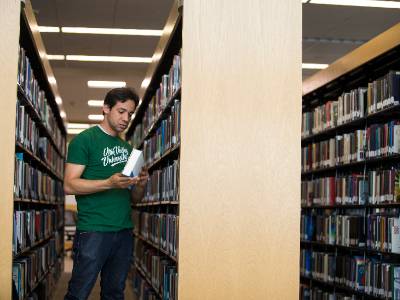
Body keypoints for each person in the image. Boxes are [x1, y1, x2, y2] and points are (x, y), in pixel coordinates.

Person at [63, 87, 148, 300]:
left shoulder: (127, 149)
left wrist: (140, 184)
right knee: (79, 293)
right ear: (106, 108)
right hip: (94, 230)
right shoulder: (84, 140)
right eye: (121, 111)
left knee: (114, 293)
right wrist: (109, 183)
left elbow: (135, 199)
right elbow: (69, 185)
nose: (126, 118)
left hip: (124, 231)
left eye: (130, 113)